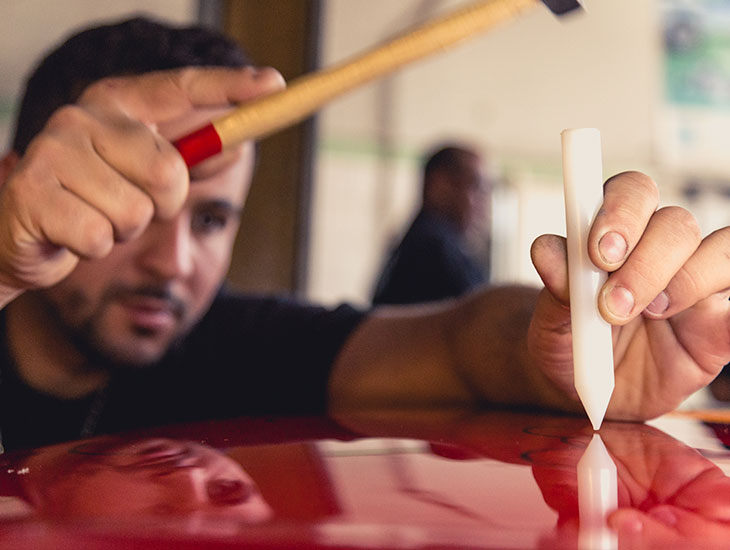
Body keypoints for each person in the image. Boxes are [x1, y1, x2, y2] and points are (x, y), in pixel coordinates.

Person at [0, 16, 728, 454]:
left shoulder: (233, 347)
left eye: (212, 219)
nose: (174, 261)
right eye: (134, 207)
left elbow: (460, 344)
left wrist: (586, 345)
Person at [372, 144, 490, 305]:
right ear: (439, 184)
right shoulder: (434, 247)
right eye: (475, 187)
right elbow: (484, 312)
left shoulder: (417, 240)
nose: (483, 203)